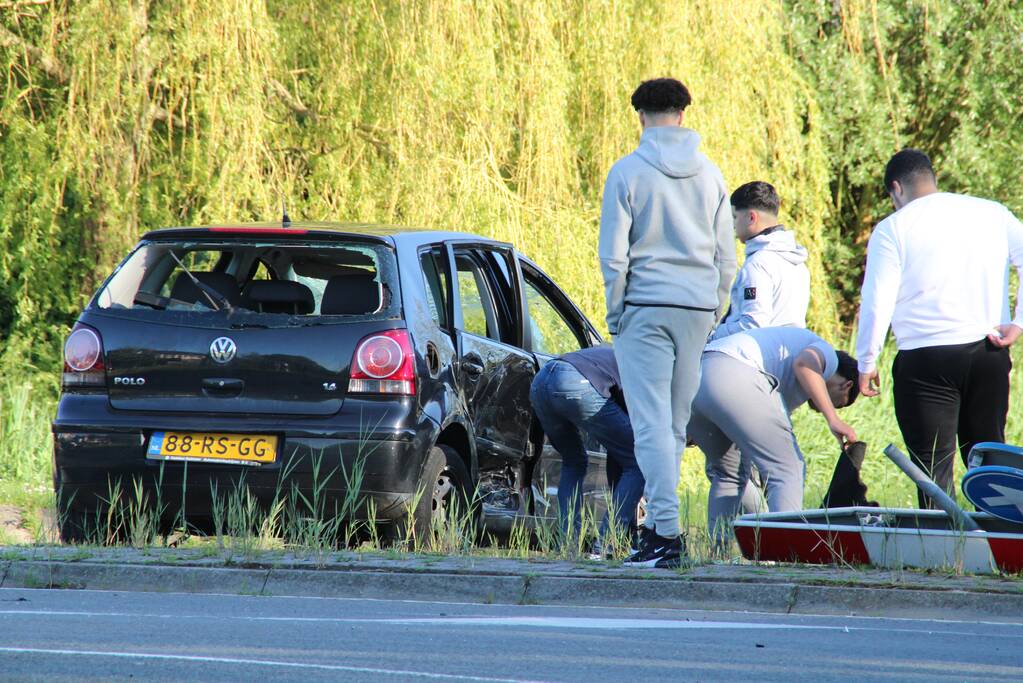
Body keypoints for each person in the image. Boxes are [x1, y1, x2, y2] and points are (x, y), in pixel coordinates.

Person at [599, 77, 736, 568]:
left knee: (650, 423)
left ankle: (666, 536)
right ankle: (657, 530)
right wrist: (715, 306)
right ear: (682, 115)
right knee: (674, 425)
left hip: (645, 307)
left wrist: (618, 312)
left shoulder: (627, 172)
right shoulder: (712, 176)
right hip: (697, 308)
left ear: (640, 116)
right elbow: (726, 255)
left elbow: (614, 256)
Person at [855, 149, 1023, 508]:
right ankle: (1005, 538)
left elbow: (877, 299)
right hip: (988, 349)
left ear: (896, 189)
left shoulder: (892, 229)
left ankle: (945, 549)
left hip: (925, 358)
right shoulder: (992, 212)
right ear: (932, 177)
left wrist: (866, 361)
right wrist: (1018, 322)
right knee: (990, 454)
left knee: (933, 466)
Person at [687, 327, 860, 548]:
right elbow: (805, 365)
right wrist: (833, 418)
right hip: (734, 372)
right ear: (846, 385)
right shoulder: (827, 353)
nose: (822, 406)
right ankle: (785, 556)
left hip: (698, 375)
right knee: (787, 469)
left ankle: (717, 554)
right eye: (839, 402)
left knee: (728, 474)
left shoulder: (783, 377)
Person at [529, 345, 644, 554]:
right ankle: (608, 544)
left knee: (573, 462)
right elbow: (631, 449)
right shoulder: (641, 369)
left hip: (541, 381)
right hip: (575, 382)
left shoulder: (617, 353)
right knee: (641, 458)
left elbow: (617, 455)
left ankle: (568, 546)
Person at [709, 181, 810, 341]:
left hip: (754, 358)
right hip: (787, 353)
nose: (732, 225)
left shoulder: (759, 263)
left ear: (751, 217)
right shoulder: (798, 262)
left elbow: (753, 324)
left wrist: (712, 336)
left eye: (734, 217)